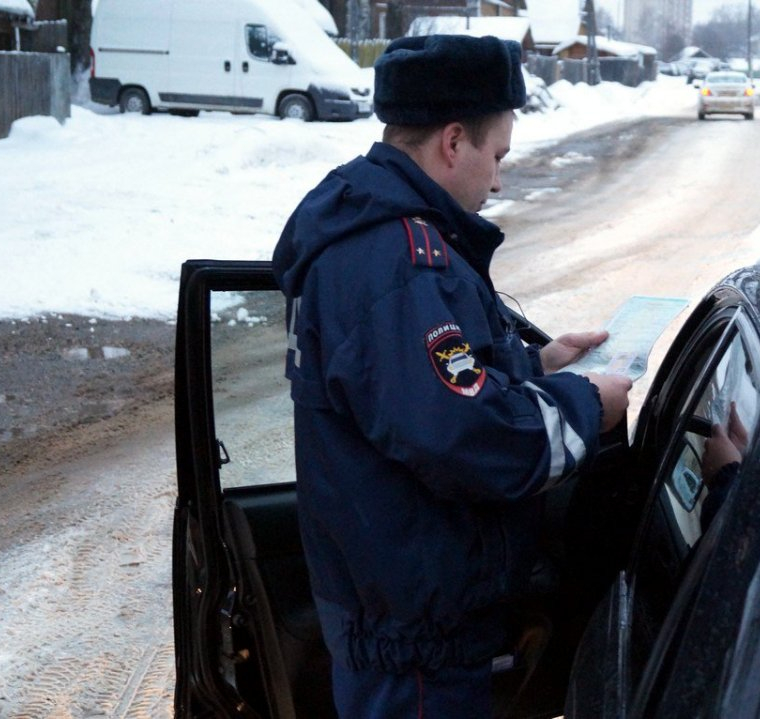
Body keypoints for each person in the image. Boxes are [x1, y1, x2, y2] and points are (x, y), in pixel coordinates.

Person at [271, 34, 633, 717]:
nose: (498, 179)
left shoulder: (374, 239)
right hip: (415, 644)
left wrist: (537, 363)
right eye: (496, 156)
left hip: (401, 617)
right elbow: (470, 435)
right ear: (453, 142)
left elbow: (413, 389)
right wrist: (589, 404)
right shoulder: (400, 264)